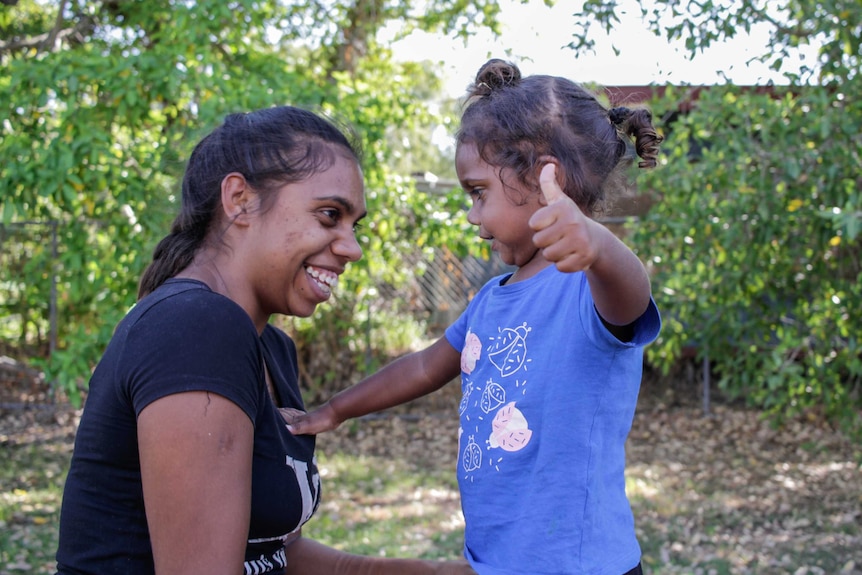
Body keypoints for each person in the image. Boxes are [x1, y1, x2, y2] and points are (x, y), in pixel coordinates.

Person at [55, 105, 475, 575]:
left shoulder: (270, 348)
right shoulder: (196, 328)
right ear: (239, 199)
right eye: (329, 215)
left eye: (353, 225)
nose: (352, 248)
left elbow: (275, 554)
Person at [284, 59, 664, 575]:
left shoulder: (589, 285)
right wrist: (334, 411)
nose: (470, 214)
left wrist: (595, 242)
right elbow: (423, 368)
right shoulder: (491, 299)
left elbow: (632, 293)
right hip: (497, 561)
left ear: (543, 175)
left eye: (478, 192)